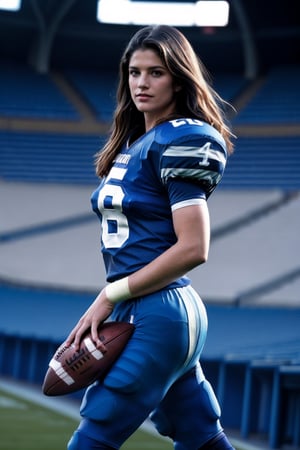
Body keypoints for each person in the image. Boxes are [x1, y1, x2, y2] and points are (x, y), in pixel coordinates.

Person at [66, 25, 235, 450]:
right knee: (201, 437)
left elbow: (194, 248)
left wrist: (111, 295)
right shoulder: (137, 142)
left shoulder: (185, 137)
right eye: (134, 72)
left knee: (95, 434)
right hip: (152, 308)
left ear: (178, 78)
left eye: (156, 72)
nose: (142, 83)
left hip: (157, 310)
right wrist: (115, 298)